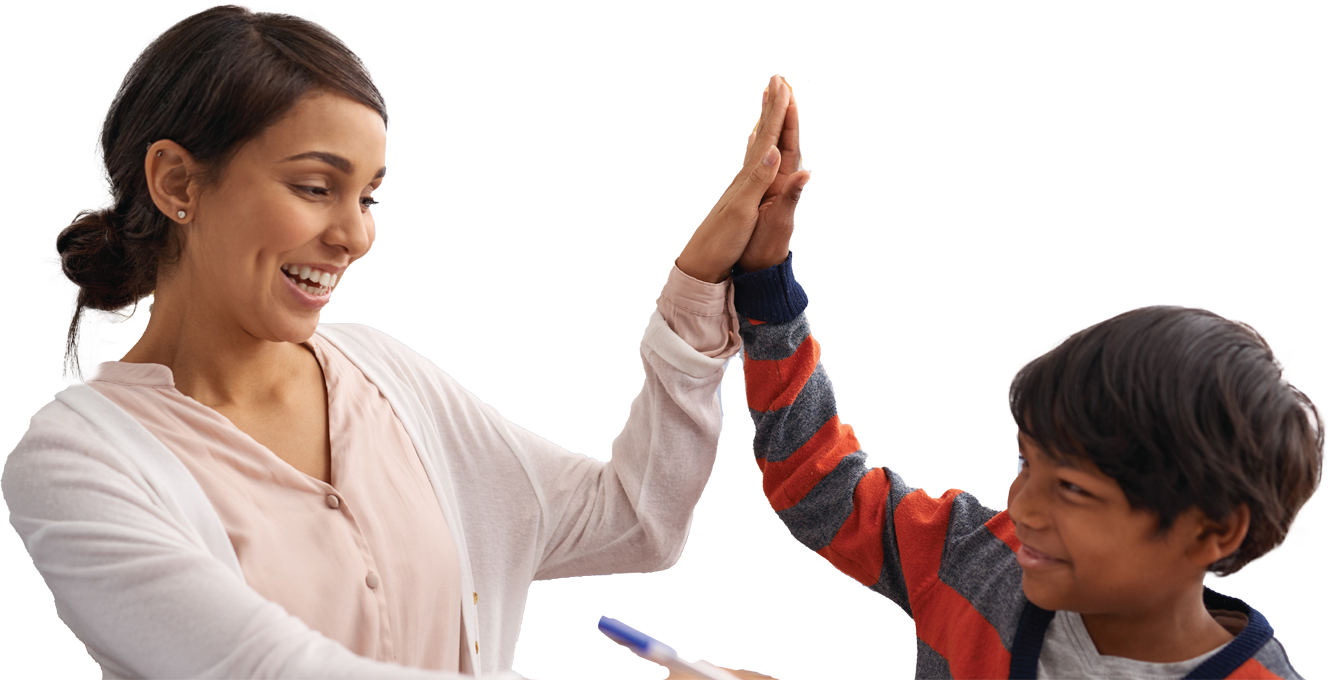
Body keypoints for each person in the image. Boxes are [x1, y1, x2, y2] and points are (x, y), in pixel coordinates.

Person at [1, 5, 810, 680]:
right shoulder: (78, 460)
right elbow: (262, 666)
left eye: (370, 195)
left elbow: (633, 519)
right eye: (316, 188)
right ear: (177, 182)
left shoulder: (384, 380)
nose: (354, 235)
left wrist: (700, 288)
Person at [728, 234, 1324, 675]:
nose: (1024, 507)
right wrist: (766, 287)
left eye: (1072, 489)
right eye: (1027, 463)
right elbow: (820, 485)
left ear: (1211, 532)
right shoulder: (975, 558)